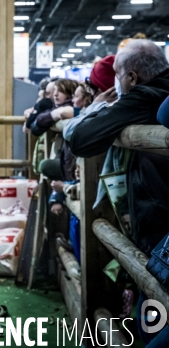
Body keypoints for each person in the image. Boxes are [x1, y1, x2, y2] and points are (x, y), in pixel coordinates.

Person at [66, 39, 169, 346]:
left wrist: (97, 110)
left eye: (117, 76)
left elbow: (81, 140)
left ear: (132, 78)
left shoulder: (145, 96)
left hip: (159, 229)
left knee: (153, 310)